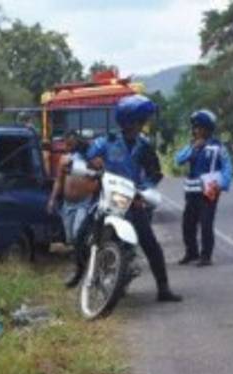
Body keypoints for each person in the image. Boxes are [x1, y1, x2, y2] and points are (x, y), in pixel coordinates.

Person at [85, 94, 182, 303]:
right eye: (141, 120)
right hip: (108, 198)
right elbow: (90, 158)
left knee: (150, 244)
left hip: (133, 200)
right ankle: (83, 276)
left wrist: (143, 192)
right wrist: (93, 163)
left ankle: (163, 288)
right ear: (131, 121)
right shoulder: (107, 141)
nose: (144, 124)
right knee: (85, 233)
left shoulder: (145, 146)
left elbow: (155, 173)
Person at [175, 109, 233, 267]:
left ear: (208, 129)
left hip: (209, 191)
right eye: (194, 128)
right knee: (188, 224)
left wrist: (221, 185)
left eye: (199, 127)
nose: (196, 131)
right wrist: (193, 148)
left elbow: (227, 168)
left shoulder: (218, 147)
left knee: (206, 224)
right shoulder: (191, 146)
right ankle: (191, 252)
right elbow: (178, 160)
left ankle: (206, 256)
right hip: (191, 191)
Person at [47, 129, 99, 287]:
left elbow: (100, 175)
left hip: (84, 203)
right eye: (66, 142)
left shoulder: (91, 158)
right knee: (70, 239)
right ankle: (83, 265)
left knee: (78, 234)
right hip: (68, 205)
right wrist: (52, 199)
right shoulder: (64, 159)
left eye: (71, 142)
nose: (68, 145)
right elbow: (58, 181)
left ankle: (86, 270)